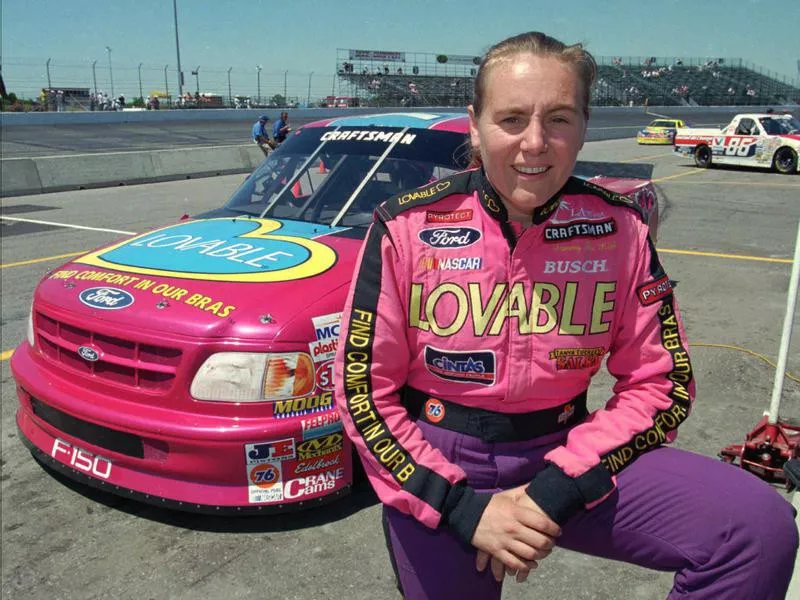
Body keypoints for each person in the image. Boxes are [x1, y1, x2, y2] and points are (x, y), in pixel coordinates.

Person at [334, 31, 798, 600]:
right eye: (511, 119)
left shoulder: (619, 228)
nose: (535, 143)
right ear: (474, 124)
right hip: (435, 458)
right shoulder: (405, 226)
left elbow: (662, 383)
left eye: (558, 118)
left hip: (571, 450)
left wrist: (554, 492)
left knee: (756, 530)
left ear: (583, 125)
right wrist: (460, 508)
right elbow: (361, 389)